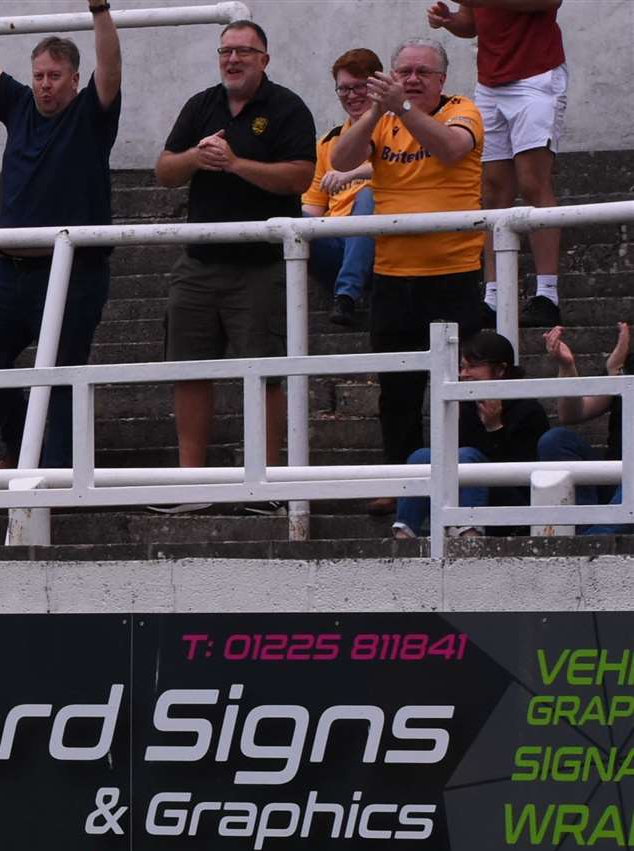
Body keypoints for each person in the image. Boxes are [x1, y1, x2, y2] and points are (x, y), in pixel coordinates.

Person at [0, 0, 121, 471]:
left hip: (74, 269)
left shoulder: (91, 114)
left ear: (74, 80)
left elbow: (111, 65)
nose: (44, 84)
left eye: (55, 76)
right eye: (40, 75)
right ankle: (27, 449)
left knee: (60, 372)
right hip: (10, 267)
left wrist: (100, 10)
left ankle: (59, 479)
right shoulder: (18, 104)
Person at [155, 20, 314, 511]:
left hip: (261, 266)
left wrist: (236, 163)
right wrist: (197, 159)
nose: (233, 60)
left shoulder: (287, 107)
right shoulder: (201, 106)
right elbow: (164, 171)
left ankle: (262, 488)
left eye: (244, 51)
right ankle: (192, 484)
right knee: (189, 369)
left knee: (264, 373)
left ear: (264, 59)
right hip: (199, 261)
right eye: (226, 51)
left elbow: (301, 176)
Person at [329, 38, 485, 511]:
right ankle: (400, 484)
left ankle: (459, 482)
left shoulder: (463, 109)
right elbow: (339, 160)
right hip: (394, 276)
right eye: (404, 72)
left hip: (453, 274)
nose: (413, 79)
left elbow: (452, 149)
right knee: (397, 391)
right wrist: (376, 113)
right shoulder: (384, 118)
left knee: (459, 388)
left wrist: (404, 110)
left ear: (442, 80)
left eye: (423, 72)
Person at [427, 0, 568, 328]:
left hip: (538, 76)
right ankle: (493, 295)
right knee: (492, 193)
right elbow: (472, 22)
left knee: (533, 183)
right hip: (490, 82)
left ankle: (547, 294)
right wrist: (448, 20)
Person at [392, 330, 547, 539]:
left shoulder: (528, 409)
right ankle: (404, 535)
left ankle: (470, 535)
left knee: (466, 457)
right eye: (461, 367)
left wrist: (495, 428)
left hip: (511, 498)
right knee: (421, 457)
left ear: (501, 370)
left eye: (473, 366)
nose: (464, 374)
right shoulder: (463, 406)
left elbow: (522, 472)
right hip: (463, 490)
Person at [303, 49, 382, 330]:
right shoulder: (328, 142)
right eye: (344, 89)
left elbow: (400, 168)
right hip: (337, 243)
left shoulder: (398, 127)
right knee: (291, 220)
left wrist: (352, 172)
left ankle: (347, 295)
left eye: (360, 87)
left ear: (377, 86)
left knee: (367, 195)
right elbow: (311, 208)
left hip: (387, 244)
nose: (352, 95)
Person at [538, 321, 633, 534]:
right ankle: (584, 530)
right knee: (556, 440)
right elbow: (572, 413)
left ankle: (588, 544)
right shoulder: (624, 365)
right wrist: (567, 365)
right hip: (614, 478)